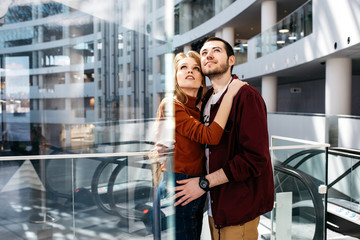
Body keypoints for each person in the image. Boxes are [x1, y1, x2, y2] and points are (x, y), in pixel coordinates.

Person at [174, 37, 275, 240]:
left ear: (231, 60)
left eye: (216, 50)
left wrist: (203, 183)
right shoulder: (206, 99)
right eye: (204, 53)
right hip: (215, 207)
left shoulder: (246, 96)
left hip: (239, 207)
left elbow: (255, 159)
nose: (208, 55)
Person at [151, 50, 247, 240]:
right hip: (177, 184)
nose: (190, 71)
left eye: (196, 68)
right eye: (183, 67)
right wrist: (230, 94)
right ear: (175, 77)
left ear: (202, 79)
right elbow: (209, 136)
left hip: (195, 183)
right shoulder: (172, 104)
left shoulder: (201, 107)